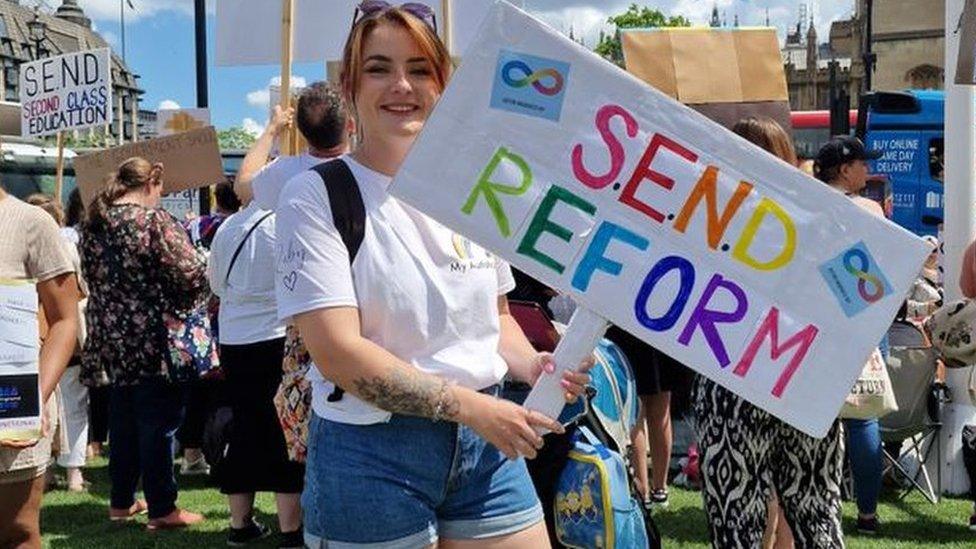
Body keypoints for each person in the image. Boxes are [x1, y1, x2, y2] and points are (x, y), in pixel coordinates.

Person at [274, 4, 591, 547]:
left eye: (420, 68)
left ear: (443, 83)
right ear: (350, 84)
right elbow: (338, 355)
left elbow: (494, 320)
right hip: (370, 455)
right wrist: (472, 408)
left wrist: (536, 364)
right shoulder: (315, 195)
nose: (402, 85)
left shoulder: (472, 189)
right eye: (379, 68)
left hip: (488, 450)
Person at [692, 117, 845, 548]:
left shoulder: (706, 219)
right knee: (817, 513)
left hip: (730, 379)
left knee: (736, 518)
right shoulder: (824, 222)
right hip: (805, 377)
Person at [80, 158, 208, 530]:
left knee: (123, 421)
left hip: (112, 338)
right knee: (159, 423)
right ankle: (163, 508)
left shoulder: (94, 224)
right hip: (154, 338)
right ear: (152, 182)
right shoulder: (153, 222)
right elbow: (190, 272)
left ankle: (121, 502)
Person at [208, 195, 304, 547]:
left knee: (246, 426)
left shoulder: (228, 226)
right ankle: (291, 528)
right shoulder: (284, 223)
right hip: (275, 333)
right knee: (284, 428)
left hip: (235, 337)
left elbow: (216, 284)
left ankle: (240, 522)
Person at [814, 134, 887, 536]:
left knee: (811, 418)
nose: (868, 170)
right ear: (845, 169)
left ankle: (812, 500)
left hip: (817, 320)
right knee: (862, 417)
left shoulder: (808, 203)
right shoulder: (870, 209)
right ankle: (867, 514)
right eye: (862, 163)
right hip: (862, 319)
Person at [0, 187, 78, 548]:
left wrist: (34, 397)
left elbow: (64, 320)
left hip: (11, 407)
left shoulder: (32, 223)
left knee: (15, 531)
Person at [26, 193, 90, 493]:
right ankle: (66, 471)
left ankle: (56, 471)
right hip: (44, 334)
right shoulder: (65, 247)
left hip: (48, 335)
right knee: (65, 403)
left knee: (59, 402)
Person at [177, 180, 240, 477]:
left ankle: (191, 454)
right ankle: (224, 449)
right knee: (227, 393)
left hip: (198, 324)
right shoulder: (240, 229)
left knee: (198, 392)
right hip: (230, 320)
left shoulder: (195, 227)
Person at [606, 326, 693, 508]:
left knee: (635, 412)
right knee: (659, 409)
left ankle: (643, 490)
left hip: (628, 327)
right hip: (661, 328)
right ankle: (659, 489)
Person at [234, 81, 352, 209]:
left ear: (300, 130)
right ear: (351, 126)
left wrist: (272, 129)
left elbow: (242, 186)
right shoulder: (370, 172)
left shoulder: (283, 172)